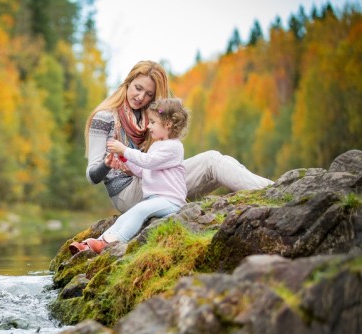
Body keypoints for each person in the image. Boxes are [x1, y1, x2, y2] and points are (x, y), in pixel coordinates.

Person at [83, 60, 272, 214]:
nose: (140, 97)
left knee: (221, 162)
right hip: (128, 194)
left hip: (153, 181)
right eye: (137, 88)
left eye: (149, 94)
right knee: (212, 161)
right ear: (127, 83)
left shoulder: (150, 118)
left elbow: (162, 160)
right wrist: (107, 164)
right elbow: (92, 176)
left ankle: (271, 190)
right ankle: (273, 192)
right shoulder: (104, 118)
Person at [69, 98, 188, 254]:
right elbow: (143, 172)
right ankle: (95, 243)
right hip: (156, 199)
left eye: (152, 122)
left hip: (171, 200)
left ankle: (113, 243)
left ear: (167, 125)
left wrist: (124, 150)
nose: (148, 126)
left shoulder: (174, 147)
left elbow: (148, 162)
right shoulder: (157, 145)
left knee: (139, 211)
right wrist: (124, 158)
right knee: (126, 216)